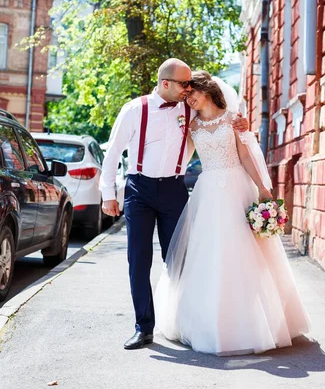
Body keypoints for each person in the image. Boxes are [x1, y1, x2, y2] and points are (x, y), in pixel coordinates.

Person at [155, 71, 310, 356]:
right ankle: (210, 324)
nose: (188, 99)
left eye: (192, 94)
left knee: (247, 253)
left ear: (207, 90)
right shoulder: (191, 127)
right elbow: (180, 157)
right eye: (186, 95)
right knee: (209, 255)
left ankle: (259, 322)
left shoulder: (232, 120)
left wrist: (264, 188)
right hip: (209, 192)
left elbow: (246, 155)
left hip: (237, 187)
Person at [100, 59, 248, 350]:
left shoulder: (189, 107)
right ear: (165, 83)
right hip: (139, 189)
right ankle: (143, 327)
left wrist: (240, 121)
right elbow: (113, 151)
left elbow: (218, 115)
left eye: (190, 84)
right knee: (138, 260)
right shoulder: (135, 109)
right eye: (184, 84)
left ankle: (184, 321)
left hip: (173, 189)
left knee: (179, 258)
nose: (188, 89)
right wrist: (108, 195)